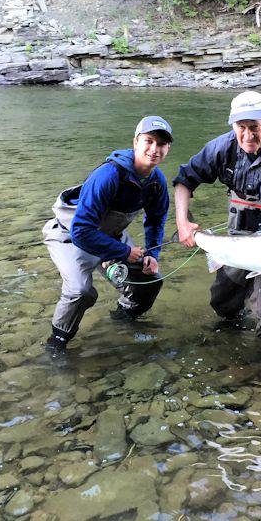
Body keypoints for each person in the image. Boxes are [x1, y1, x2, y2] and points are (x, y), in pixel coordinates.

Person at [173, 91, 261, 345]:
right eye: (241, 127)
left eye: (255, 127)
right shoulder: (221, 149)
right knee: (222, 302)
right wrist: (183, 223)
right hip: (236, 238)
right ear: (233, 125)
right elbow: (184, 181)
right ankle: (232, 337)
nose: (248, 136)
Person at [42, 116, 172, 353]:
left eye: (161, 144)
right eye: (149, 141)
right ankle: (56, 344)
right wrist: (123, 252)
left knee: (150, 280)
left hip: (110, 235)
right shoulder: (109, 174)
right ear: (135, 142)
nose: (154, 149)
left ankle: (123, 320)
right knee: (80, 292)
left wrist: (153, 253)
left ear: (168, 149)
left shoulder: (157, 183)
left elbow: (155, 221)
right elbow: (81, 231)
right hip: (69, 236)